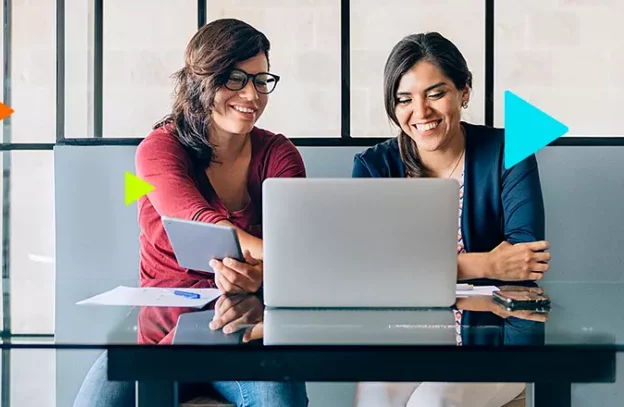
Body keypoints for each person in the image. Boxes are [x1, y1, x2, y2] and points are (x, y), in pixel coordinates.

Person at [73, 18, 308, 407]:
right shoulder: (160, 148)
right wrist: (276, 259)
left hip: (246, 334)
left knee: (280, 399)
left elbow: (297, 245)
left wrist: (262, 272)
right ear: (202, 79)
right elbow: (198, 224)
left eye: (261, 80)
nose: (252, 94)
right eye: (236, 79)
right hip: (161, 342)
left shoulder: (278, 156)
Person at [351, 32, 549, 407]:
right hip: (401, 342)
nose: (421, 112)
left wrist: (414, 269)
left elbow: (526, 264)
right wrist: (487, 263)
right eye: (404, 99)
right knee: (375, 398)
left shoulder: (509, 153)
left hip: (494, 346)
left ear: (465, 92)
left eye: (436, 93)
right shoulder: (374, 167)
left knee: (433, 401)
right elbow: (371, 270)